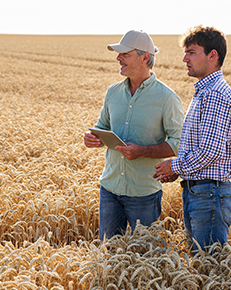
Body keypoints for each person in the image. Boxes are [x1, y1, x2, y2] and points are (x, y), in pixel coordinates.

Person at [84, 30, 184, 241]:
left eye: (124, 54)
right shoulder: (113, 92)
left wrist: (143, 152)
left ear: (144, 57)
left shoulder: (167, 98)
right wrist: (93, 137)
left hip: (144, 193)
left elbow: (178, 143)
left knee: (147, 256)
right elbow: (102, 125)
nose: (118, 58)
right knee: (108, 255)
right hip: (110, 189)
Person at [154, 25, 231, 252]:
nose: (184, 59)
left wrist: (174, 165)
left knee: (209, 266)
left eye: (192, 52)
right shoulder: (205, 91)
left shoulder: (214, 94)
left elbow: (210, 151)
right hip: (201, 192)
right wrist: (179, 171)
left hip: (208, 195)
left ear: (213, 55)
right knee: (201, 264)